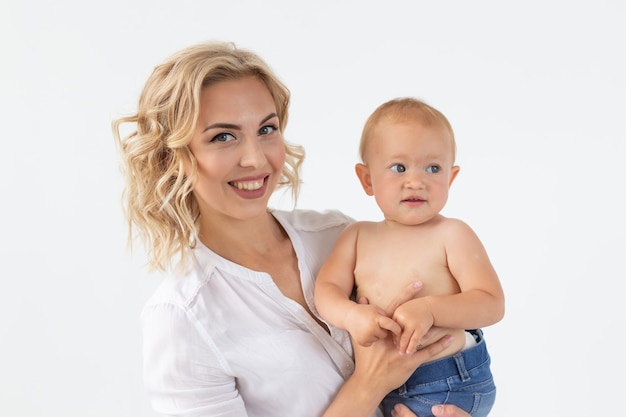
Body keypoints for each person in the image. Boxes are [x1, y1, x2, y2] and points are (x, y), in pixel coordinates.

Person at [112, 40, 473, 417]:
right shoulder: (183, 317)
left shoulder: (339, 236)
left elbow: (451, 349)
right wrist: (369, 385)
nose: (256, 158)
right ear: (175, 156)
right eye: (223, 136)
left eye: (267, 129)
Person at [314, 98, 505, 417]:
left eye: (433, 168)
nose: (416, 181)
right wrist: (352, 316)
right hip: (381, 386)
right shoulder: (357, 236)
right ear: (367, 180)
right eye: (399, 167)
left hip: (447, 382)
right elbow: (327, 290)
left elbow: (491, 303)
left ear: (451, 178)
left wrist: (429, 308)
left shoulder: (453, 234)